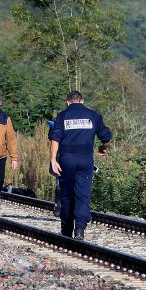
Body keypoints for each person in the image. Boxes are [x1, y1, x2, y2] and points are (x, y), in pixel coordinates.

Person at [48, 91, 111, 241]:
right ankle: (80, 229)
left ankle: (66, 229)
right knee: (83, 195)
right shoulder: (93, 116)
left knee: (67, 194)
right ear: (82, 101)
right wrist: (104, 148)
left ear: (68, 102)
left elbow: (55, 139)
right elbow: (106, 137)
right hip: (85, 160)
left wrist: (53, 160)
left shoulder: (62, 116)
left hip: (66, 160)